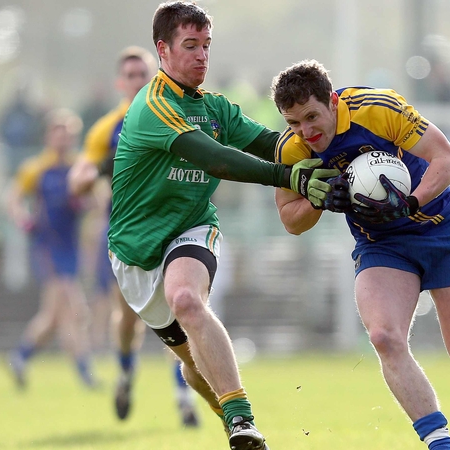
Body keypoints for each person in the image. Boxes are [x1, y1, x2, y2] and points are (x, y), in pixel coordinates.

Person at [270, 59, 450, 449]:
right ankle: (440, 444)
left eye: (312, 117)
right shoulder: (291, 148)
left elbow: (448, 160)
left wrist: (410, 202)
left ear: (332, 101)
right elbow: (290, 220)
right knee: (384, 336)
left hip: (438, 228)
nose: (306, 132)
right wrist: (321, 199)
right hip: (381, 245)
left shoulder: (378, 110)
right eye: (294, 123)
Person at [106, 3, 337, 449]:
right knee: (194, 367)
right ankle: (230, 417)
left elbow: (272, 143)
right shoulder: (153, 104)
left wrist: (331, 148)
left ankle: (242, 420)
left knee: (187, 300)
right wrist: (291, 177)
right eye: (190, 46)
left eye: (206, 46)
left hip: (192, 230)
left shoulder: (215, 108)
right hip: (135, 255)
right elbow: (216, 159)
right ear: (164, 50)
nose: (202, 56)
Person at [67, 45, 199, 425]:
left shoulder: (174, 112)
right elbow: (78, 179)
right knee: (128, 319)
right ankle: (125, 374)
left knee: (181, 309)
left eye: (144, 73)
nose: (138, 80)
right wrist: (98, 171)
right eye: (131, 75)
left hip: (173, 228)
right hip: (126, 236)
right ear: (119, 83)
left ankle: (183, 398)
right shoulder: (107, 129)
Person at [6, 108, 98, 390]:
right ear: (48, 136)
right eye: (58, 134)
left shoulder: (79, 167)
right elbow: (12, 199)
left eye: (68, 135)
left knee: (54, 318)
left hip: (70, 247)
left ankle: (20, 357)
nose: (63, 139)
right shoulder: (36, 168)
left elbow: (96, 201)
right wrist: (24, 221)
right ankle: (85, 374)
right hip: (47, 247)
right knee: (76, 308)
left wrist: (85, 206)